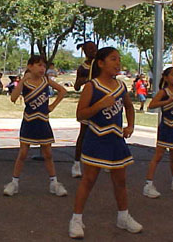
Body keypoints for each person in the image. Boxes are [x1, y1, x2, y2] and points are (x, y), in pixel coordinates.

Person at [69, 47, 142, 239]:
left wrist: (130, 126)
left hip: (116, 140)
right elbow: (80, 115)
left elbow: (129, 107)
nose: (117, 63)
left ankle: (123, 217)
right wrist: (99, 105)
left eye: (119, 59)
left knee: (121, 181)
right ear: (101, 63)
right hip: (96, 139)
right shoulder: (92, 87)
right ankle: (76, 220)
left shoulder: (121, 86)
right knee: (88, 180)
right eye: (113, 59)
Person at [3, 55, 68, 197]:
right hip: (29, 120)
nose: (42, 68)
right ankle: (14, 183)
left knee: (48, 154)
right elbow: (13, 98)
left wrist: (52, 106)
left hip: (43, 121)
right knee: (23, 153)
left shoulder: (46, 81)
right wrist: (22, 81)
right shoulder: (25, 82)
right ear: (30, 66)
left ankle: (54, 183)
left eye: (44, 66)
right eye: (39, 65)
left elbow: (63, 91)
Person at [143, 67, 173, 199]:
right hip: (166, 127)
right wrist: (167, 102)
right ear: (166, 77)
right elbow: (151, 105)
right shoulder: (164, 92)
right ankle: (148, 184)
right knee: (158, 156)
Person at [71, 41, 97, 178]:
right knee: (84, 133)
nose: (93, 51)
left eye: (94, 48)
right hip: (88, 102)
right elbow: (76, 86)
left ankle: (105, 160)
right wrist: (83, 80)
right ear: (85, 51)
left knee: (105, 132)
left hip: (101, 102)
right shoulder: (83, 68)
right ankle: (76, 164)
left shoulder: (101, 64)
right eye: (90, 49)